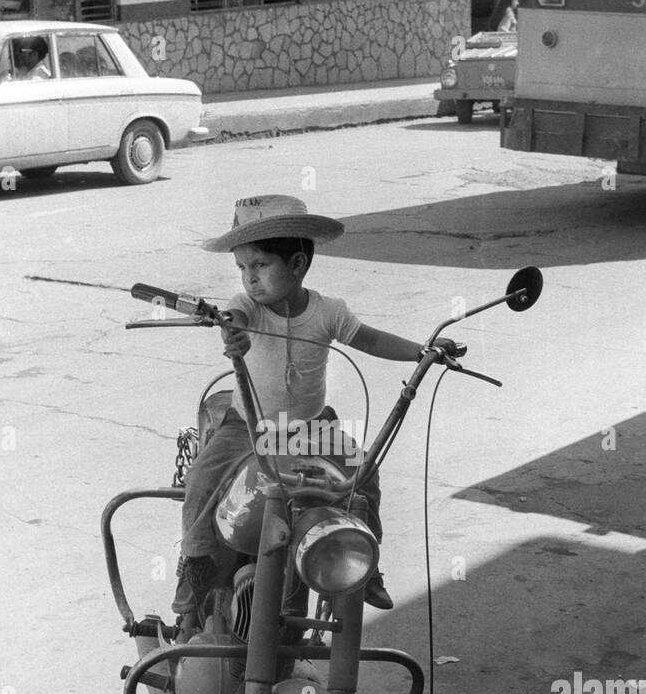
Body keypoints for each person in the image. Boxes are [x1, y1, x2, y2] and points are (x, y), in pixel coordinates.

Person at [173, 195, 459, 616]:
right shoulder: (248, 306)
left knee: (364, 474)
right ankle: (196, 563)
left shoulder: (327, 312)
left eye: (260, 265)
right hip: (247, 426)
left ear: (298, 265)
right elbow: (236, 320)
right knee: (201, 477)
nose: (249, 279)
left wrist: (423, 351)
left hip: (310, 427)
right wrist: (231, 333)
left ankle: (363, 562)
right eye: (241, 268)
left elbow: (369, 339)